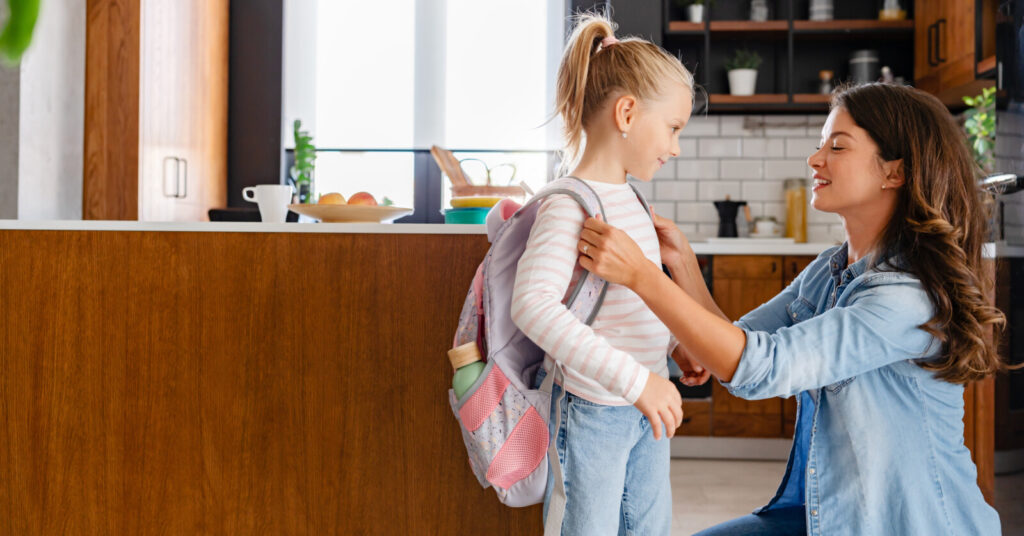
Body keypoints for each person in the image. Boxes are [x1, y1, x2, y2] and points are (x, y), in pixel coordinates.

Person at [576, 82, 1009, 535]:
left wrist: (643, 277)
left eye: (837, 146)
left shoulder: (906, 299)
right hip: (825, 517)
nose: (815, 159)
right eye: (820, 144)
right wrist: (681, 262)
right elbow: (734, 343)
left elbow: (757, 365)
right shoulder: (831, 269)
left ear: (894, 173)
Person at [510, 13, 699, 535]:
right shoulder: (569, 205)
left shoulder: (631, 198)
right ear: (628, 112)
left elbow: (620, 304)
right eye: (674, 128)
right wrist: (634, 380)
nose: (676, 146)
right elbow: (532, 305)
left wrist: (668, 351)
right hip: (598, 410)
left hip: (647, 400)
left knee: (647, 528)